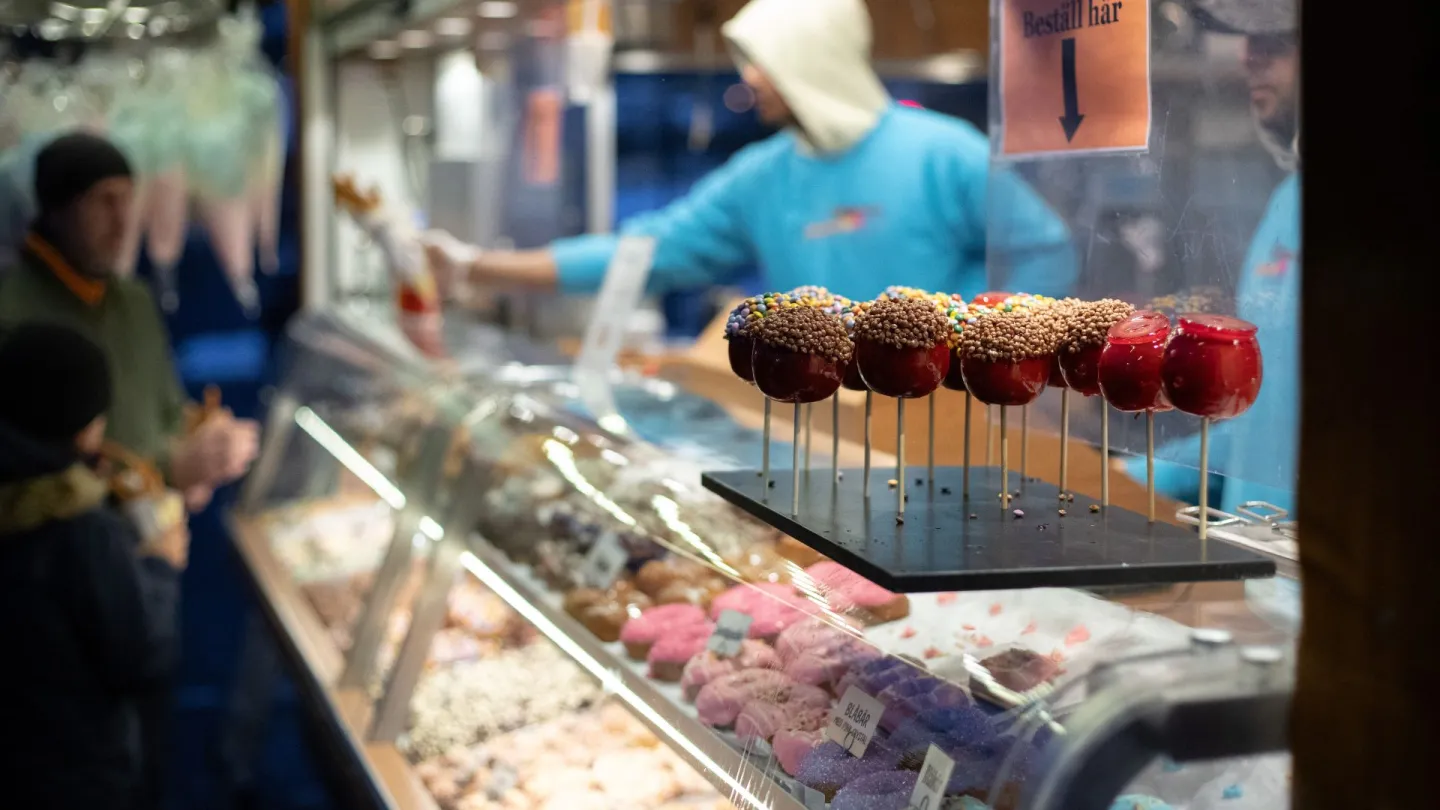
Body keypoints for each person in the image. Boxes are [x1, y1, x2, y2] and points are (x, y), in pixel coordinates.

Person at [427, 0, 1075, 303]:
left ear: (815, 61)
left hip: (946, 426)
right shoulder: (763, 176)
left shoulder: (944, 153)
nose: (750, 80)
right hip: (818, 423)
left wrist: (967, 341)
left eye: (765, 62)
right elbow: (646, 253)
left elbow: (1048, 253)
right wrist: (477, 266)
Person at [0, 131, 258, 505]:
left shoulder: (135, 301)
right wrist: (173, 470)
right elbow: (32, 478)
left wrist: (205, 439)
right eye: (104, 202)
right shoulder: (13, 314)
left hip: (156, 529)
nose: (122, 221)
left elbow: (169, 412)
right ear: (58, 210)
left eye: (127, 200)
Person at [0, 323, 187, 810]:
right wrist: (162, 565)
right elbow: (141, 655)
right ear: (85, 429)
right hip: (78, 770)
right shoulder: (82, 531)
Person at [1129, 0, 1299, 515]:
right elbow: (1261, 424)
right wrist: (1133, 477)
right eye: (1251, 38)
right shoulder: (1287, 201)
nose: (1249, 55)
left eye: (1278, 39)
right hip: (1256, 555)